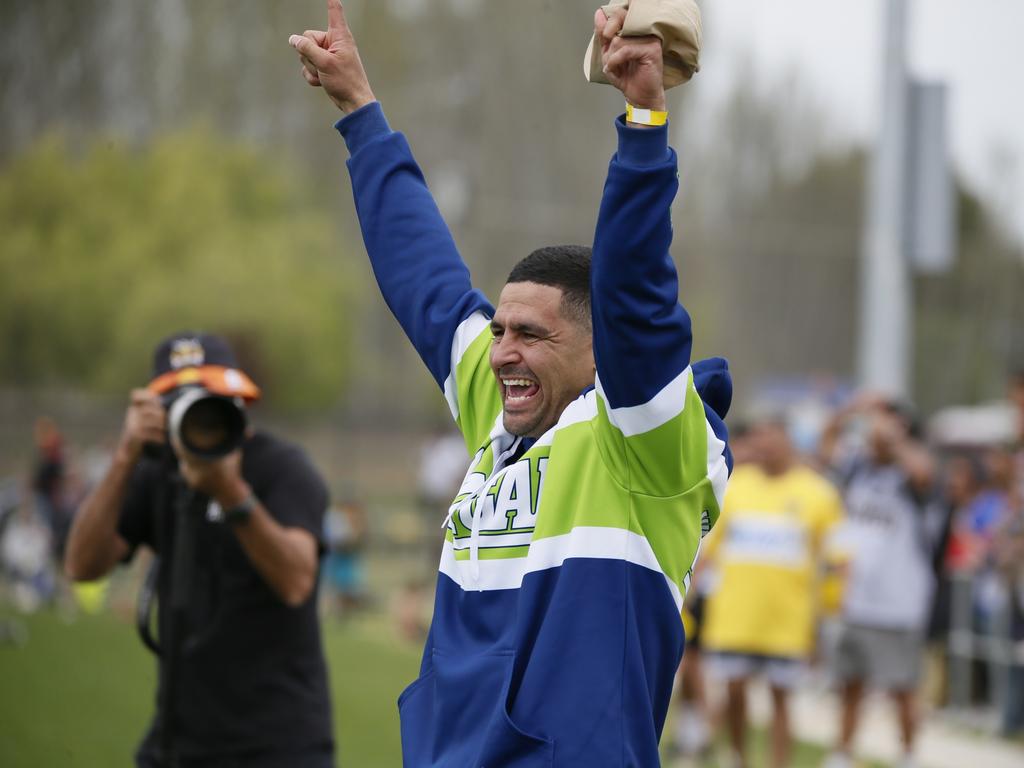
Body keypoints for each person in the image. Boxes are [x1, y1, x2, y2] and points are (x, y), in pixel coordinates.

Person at [289, 2, 732, 764]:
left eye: (531, 333)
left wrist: (643, 121)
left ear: (602, 356)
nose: (501, 352)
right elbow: (423, 278)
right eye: (499, 330)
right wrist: (362, 113)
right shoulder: (501, 417)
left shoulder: (645, 449)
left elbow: (637, 299)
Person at [64, 332, 334, 768]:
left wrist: (229, 492)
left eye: (211, 404)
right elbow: (81, 565)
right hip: (176, 741)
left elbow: (297, 582)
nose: (200, 421)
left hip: (280, 745)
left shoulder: (282, 468)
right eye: (180, 407)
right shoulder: (154, 471)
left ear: (240, 405)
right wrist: (125, 455)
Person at [700, 416, 843, 768]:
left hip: (787, 620)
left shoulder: (818, 492)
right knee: (734, 691)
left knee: (781, 697)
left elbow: (836, 558)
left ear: (788, 443)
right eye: (759, 440)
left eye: (771, 440)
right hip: (735, 615)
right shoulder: (735, 486)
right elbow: (710, 549)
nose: (763, 448)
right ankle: (739, 757)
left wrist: (827, 614)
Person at [818, 394, 943, 768]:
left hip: (899, 604)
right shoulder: (858, 468)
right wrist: (854, 407)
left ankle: (908, 755)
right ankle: (842, 754)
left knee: (901, 688)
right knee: (849, 685)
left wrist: (894, 438)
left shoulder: (913, 475)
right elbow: (827, 440)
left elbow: (923, 472)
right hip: (855, 599)